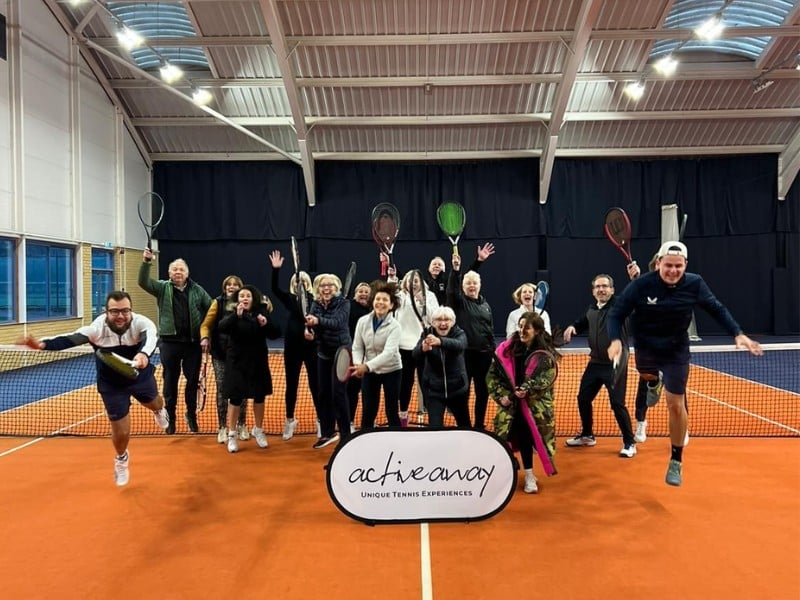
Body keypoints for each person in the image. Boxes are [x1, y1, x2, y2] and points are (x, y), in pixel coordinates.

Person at [607, 241, 763, 486]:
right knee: (647, 376)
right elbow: (617, 313)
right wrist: (615, 339)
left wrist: (737, 332)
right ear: (658, 263)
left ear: (685, 266)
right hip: (646, 346)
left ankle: (676, 460)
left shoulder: (695, 283)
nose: (673, 270)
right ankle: (653, 383)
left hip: (676, 349)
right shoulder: (642, 285)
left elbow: (716, 308)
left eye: (678, 266)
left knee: (676, 405)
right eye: (668, 265)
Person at [19, 291, 168, 486]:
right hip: (111, 384)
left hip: (139, 376)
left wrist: (144, 355)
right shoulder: (97, 329)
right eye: (115, 311)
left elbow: (150, 338)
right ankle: (121, 458)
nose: (121, 316)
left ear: (131, 311)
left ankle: (158, 410)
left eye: (125, 311)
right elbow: (70, 338)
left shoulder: (142, 323)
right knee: (122, 432)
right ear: (106, 312)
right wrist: (42, 344)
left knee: (155, 402)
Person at [138, 248, 212, 434]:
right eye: (174, 269)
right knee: (170, 381)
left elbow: (211, 308)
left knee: (192, 381)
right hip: (169, 343)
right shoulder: (163, 288)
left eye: (181, 269)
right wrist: (147, 262)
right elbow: (143, 282)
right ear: (169, 273)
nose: (178, 272)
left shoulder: (197, 290)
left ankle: (191, 416)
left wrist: (205, 333)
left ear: (187, 273)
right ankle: (170, 418)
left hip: (192, 344)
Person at [562, 274, 637, 457]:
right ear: (593, 290)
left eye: (605, 286)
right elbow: (583, 322)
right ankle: (587, 435)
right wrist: (573, 327)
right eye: (597, 287)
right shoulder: (592, 309)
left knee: (617, 404)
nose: (601, 289)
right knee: (583, 398)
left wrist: (636, 279)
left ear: (612, 290)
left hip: (615, 363)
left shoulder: (620, 306)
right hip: (595, 362)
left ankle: (630, 442)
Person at [487, 312, 559, 495]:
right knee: (505, 438)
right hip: (510, 405)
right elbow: (492, 376)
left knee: (526, 435)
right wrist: (501, 396)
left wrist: (530, 389)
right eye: (519, 326)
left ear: (537, 331)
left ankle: (529, 475)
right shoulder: (505, 350)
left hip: (534, 408)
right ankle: (510, 466)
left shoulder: (544, 355)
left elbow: (546, 380)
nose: (521, 330)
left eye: (526, 327)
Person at [218, 285, 281, 453]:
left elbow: (275, 333)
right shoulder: (232, 313)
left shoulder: (262, 312)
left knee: (259, 397)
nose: (244, 298)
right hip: (237, 363)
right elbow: (221, 328)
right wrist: (235, 317)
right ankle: (232, 434)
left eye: (248, 296)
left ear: (253, 299)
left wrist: (265, 323)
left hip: (258, 362)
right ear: (237, 300)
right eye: (241, 296)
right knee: (236, 399)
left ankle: (258, 430)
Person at [269, 250, 320, 441]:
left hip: (311, 348)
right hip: (292, 349)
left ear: (309, 285)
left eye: (304, 282)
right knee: (291, 385)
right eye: (298, 282)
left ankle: (321, 420)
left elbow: (319, 324)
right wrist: (276, 270)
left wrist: (313, 334)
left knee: (316, 385)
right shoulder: (289, 300)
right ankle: (290, 420)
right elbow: (274, 288)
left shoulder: (316, 301)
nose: (301, 284)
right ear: (293, 285)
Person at [447, 242, 496, 430]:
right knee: (464, 392)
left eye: (475, 283)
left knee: (483, 393)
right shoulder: (459, 302)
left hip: (484, 355)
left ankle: (479, 425)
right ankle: (464, 426)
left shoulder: (485, 305)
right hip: (464, 355)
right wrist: (460, 268)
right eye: (468, 283)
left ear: (480, 285)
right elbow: (453, 288)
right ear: (463, 286)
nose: (472, 286)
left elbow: (489, 330)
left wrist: (493, 352)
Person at [200, 275, 251, 444]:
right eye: (229, 284)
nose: (232, 287)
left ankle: (242, 425)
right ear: (224, 287)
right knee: (222, 389)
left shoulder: (247, 302)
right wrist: (205, 337)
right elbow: (206, 324)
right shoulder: (218, 303)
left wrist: (262, 302)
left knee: (241, 390)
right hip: (220, 354)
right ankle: (222, 427)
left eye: (236, 285)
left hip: (241, 355)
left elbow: (267, 309)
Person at [305, 273, 351, 449]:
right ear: (318, 288)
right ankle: (328, 433)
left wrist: (317, 321)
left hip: (342, 352)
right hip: (323, 352)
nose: (326, 288)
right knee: (323, 393)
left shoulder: (344, 303)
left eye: (330, 285)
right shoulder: (315, 304)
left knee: (338, 393)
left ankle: (346, 435)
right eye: (323, 285)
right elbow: (311, 325)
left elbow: (338, 323)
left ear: (336, 287)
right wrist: (309, 332)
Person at [351, 281, 403, 429]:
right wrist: (357, 364)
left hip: (392, 371)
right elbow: (357, 346)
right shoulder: (362, 322)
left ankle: (398, 442)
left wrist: (366, 366)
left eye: (385, 300)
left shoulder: (395, 326)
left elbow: (389, 353)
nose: (380, 302)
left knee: (391, 410)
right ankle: (365, 441)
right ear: (373, 302)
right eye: (378, 299)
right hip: (370, 373)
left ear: (391, 305)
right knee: (368, 410)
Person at [412, 306, 471, 428]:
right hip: (434, 391)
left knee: (465, 426)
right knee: (435, 429)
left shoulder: (459, 333)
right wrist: (422, 348)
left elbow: (460, 345)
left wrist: (440, 341)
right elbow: (415, 354)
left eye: (447, 320)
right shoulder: (426, 334)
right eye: (439, 320)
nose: (443, 323)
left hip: (457, 390)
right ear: (433, 323)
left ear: (452, 322)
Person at [396, 270, 440, 426]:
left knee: (426, 382)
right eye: (410, 280)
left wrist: (424, 303)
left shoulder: (430, 296)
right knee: (405, 383)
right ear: (405, 283)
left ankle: (433, 417)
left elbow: (435, 319)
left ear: (421, 283)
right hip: (403, 347)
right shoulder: (399, 297)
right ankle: (403, 415)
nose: (413, 283)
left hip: (423, 346)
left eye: (416, 281)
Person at [346, 282, 372, 431]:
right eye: (360, 291)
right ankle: (349, 422)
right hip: (354, 354)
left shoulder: (374, 309)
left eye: (366, 291)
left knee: (369, 392)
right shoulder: (348, 306)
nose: (363, 294)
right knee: (352, 391)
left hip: (371, 356)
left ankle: (367, 424)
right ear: (355, 294)